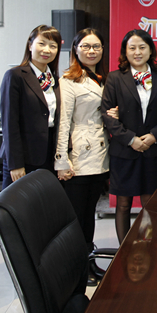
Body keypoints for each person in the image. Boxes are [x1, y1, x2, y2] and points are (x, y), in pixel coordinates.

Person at [101, 29, 157, 244]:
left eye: (142, 47)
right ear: (125, 51)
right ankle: (124, 249)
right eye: (132, 48)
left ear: (150, 50)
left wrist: (154, 136)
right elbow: (107, 115)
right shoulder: (115, 78)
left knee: (150, 203)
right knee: (123, 204)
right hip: (124, 151)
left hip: (152, 150)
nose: (137, 52)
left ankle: (150, 247)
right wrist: (131, 139)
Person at [54, 28, 113, 273]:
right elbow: (63, 122)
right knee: (77, 216)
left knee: (90, 213)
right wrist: (61, 160)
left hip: (100, 154)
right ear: (75, 50)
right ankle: (75, 269)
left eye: (96, 46)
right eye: (86, 46)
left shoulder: (103, 78)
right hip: (78, 157)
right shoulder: (68, 80)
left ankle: (88, 263)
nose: (91, 51)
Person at [0, 24, 62, 189]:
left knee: (43, 202)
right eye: (42, 43)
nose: (47, 50)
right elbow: (9, 123)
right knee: (17, 203)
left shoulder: (54, 80)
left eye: (53, 46)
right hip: (23, 157)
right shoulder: (15, 76)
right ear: (30, 45)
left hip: (48, 155)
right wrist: (16, 163)